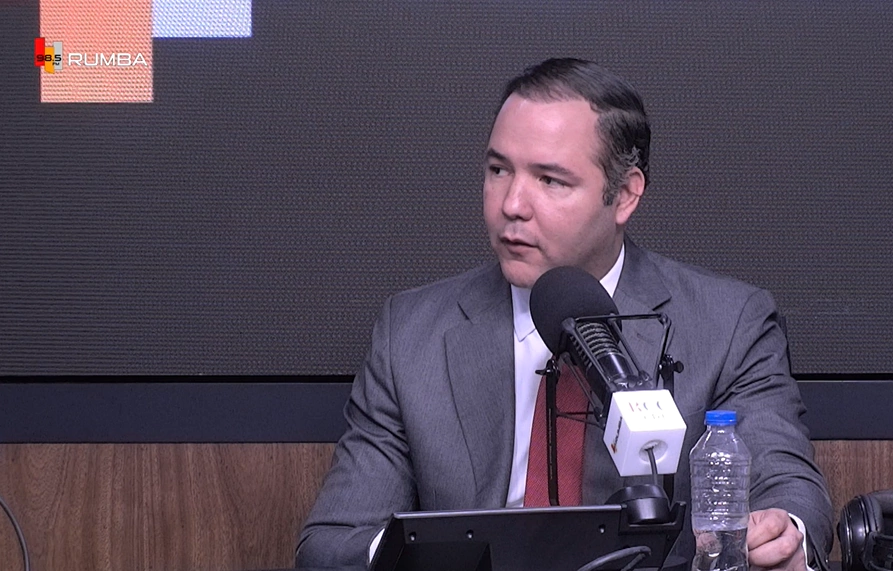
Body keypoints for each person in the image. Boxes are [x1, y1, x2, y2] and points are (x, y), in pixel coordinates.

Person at [296, 58, 833, 570]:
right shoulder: (412, 334)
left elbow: (787, 487)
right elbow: (331, 545)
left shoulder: (729, 323)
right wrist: (425, 553)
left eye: (550, 180)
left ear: (625, 195)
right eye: (498, 170)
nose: (512, 204)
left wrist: (783, 536)